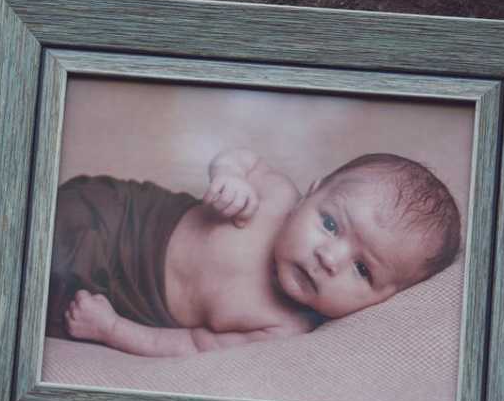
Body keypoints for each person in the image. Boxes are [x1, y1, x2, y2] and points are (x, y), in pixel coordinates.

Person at [46, 150, 461, 356]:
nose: (329, 258)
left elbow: (191, 345)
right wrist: (228, 177)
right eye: (330, 224)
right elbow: (242, 160)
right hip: (129, 215)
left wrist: (112, 330)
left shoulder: (283, 329)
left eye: (362, 269)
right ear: (311, 193)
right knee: (52, 216)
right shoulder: (276, 195)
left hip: (122, 294)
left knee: (42, 294)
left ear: (384, 301)